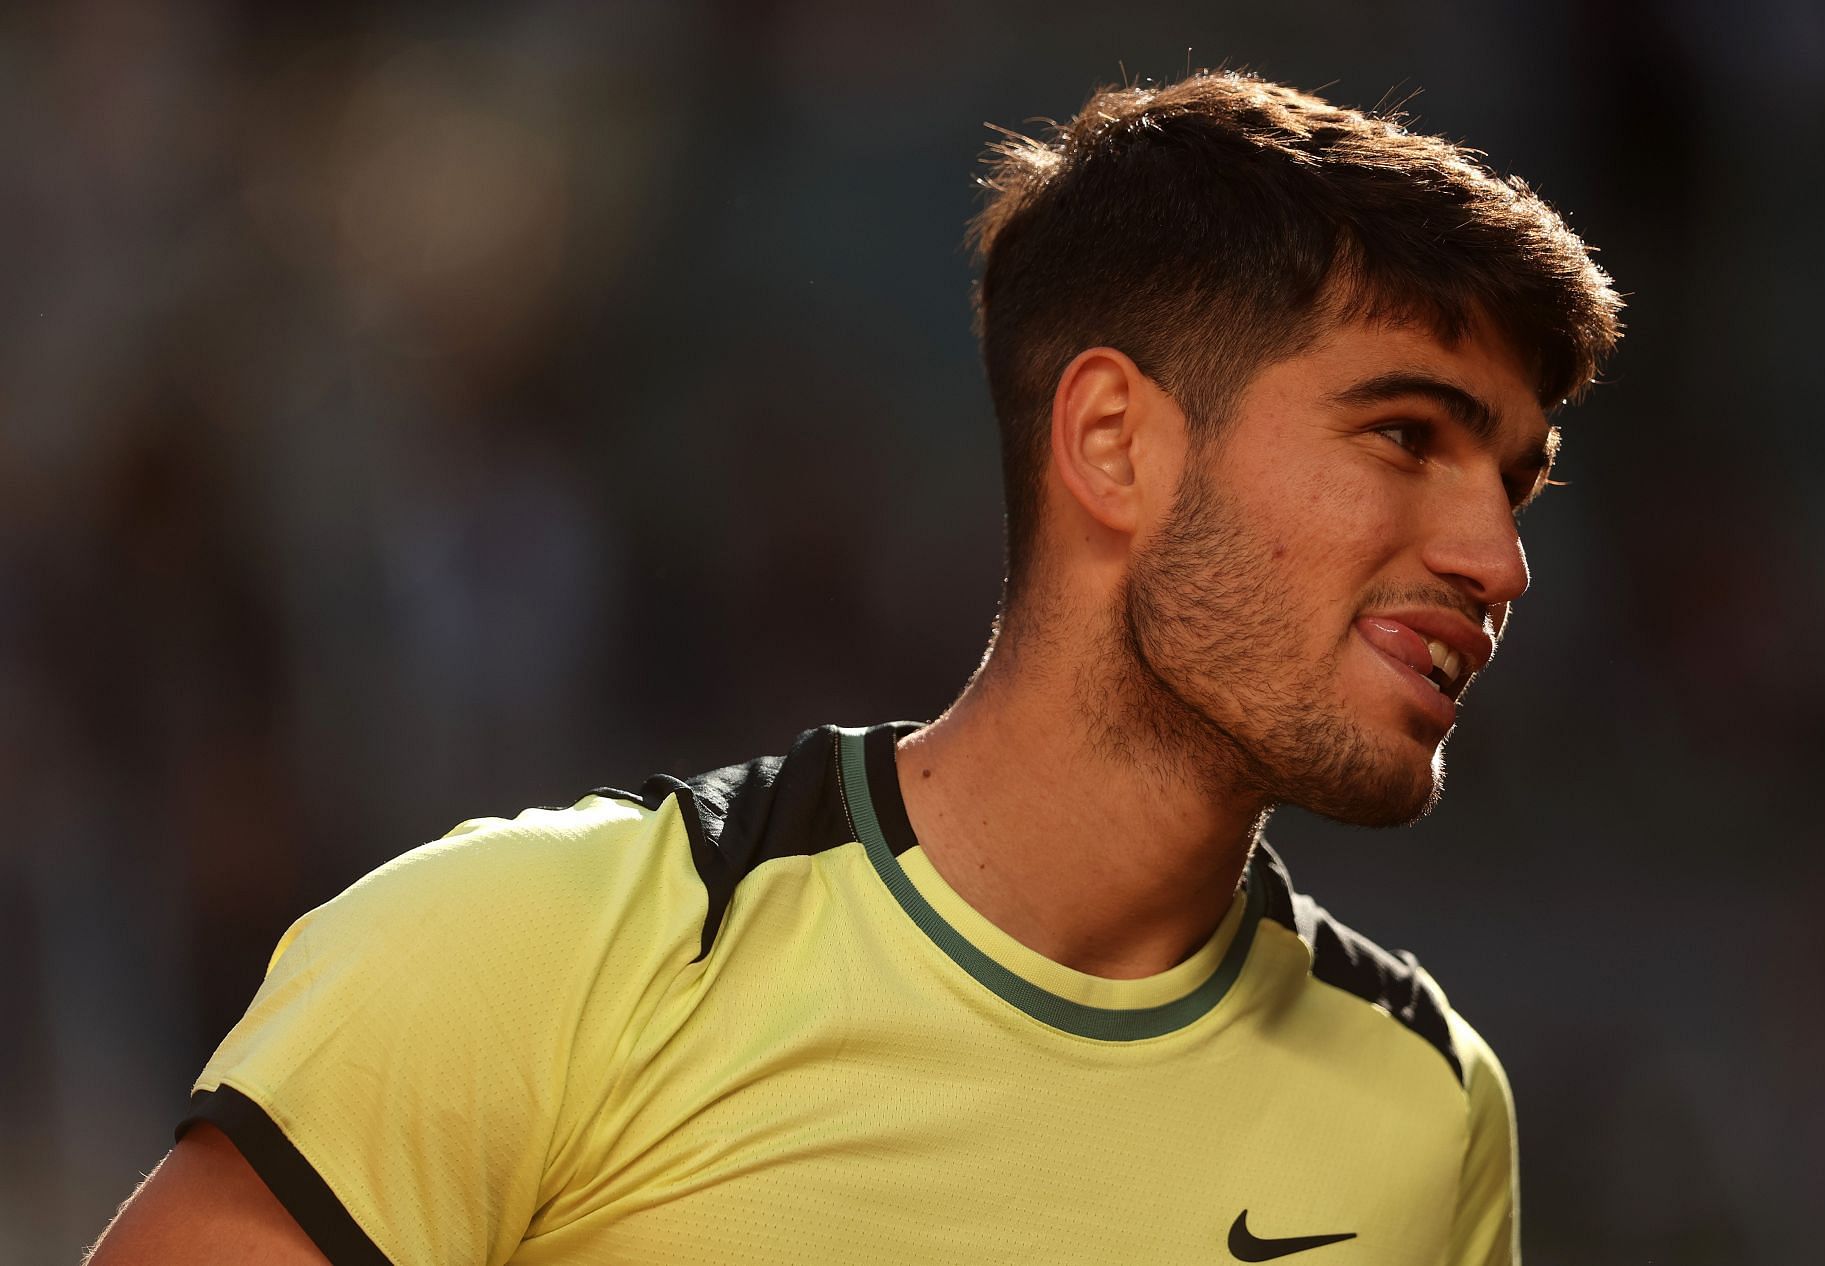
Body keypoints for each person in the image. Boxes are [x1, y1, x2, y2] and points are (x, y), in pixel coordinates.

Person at [88, 70, 1622, 1265]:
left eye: (1514, 480)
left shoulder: (1431, 1106)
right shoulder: (532, 954)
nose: (1498, 558)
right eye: (1408, 437)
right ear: (1114, 441)